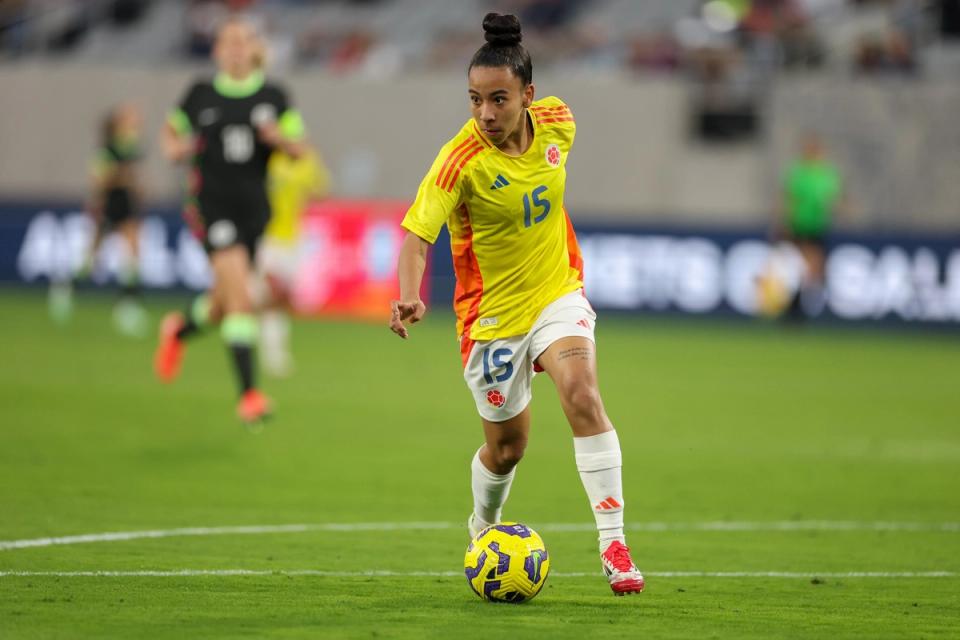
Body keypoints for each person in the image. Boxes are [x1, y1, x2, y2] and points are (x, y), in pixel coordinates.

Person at [389, 13, 644, 596]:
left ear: (528, 96)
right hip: (492, 319)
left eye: (498, 99)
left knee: (581, 393)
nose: (485, 114)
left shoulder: (559, 122)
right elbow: (415, 239)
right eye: (475, 100)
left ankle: (614, 543)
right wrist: (408, 295)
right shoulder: (460, 160)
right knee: (508, 449)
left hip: (557, 292)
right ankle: (484, 525)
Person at [154, 16, 305, 424]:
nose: (236, 48)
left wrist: (281, 140)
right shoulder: (201, 94)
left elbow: (300, 148)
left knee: (224, 305)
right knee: (241, 299)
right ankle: (250, 395)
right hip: (211, 205)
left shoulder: (274, 96)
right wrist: (174, 148)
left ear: (255, 49)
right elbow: (171, 131)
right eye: (228, 41)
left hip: (254, 209)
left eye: (243, 41)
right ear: (218, 50)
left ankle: (178, 331)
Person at [49, 103, 148, 336]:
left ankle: (127, 307)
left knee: (134, 255)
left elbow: (134, 178)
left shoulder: (132, 148)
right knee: (92, 261)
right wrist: (122, 178)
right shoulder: (107, 151)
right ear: (116, 126)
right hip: (108, 205)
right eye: (128, 120)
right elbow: (98, 180)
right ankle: (66, 288)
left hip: (127, 205)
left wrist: (137, 187)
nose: (133, 124)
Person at [256, 144, 330, 377]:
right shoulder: (266, 158)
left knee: (282, 298)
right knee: (272, 292)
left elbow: (321, 190)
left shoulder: (306, 160)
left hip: (293, 238)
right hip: (266, 236)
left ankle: (275, 350)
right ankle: (271, 353)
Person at [780, 132, 843, 319]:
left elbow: (834, 199)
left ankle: (803, 305)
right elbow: (790, 199)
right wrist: (785, 222)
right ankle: (796, 305)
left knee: (813, 269)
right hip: (799, 225)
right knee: (801, 267)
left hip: (817, 226)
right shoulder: (799, 173)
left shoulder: (826, 174)